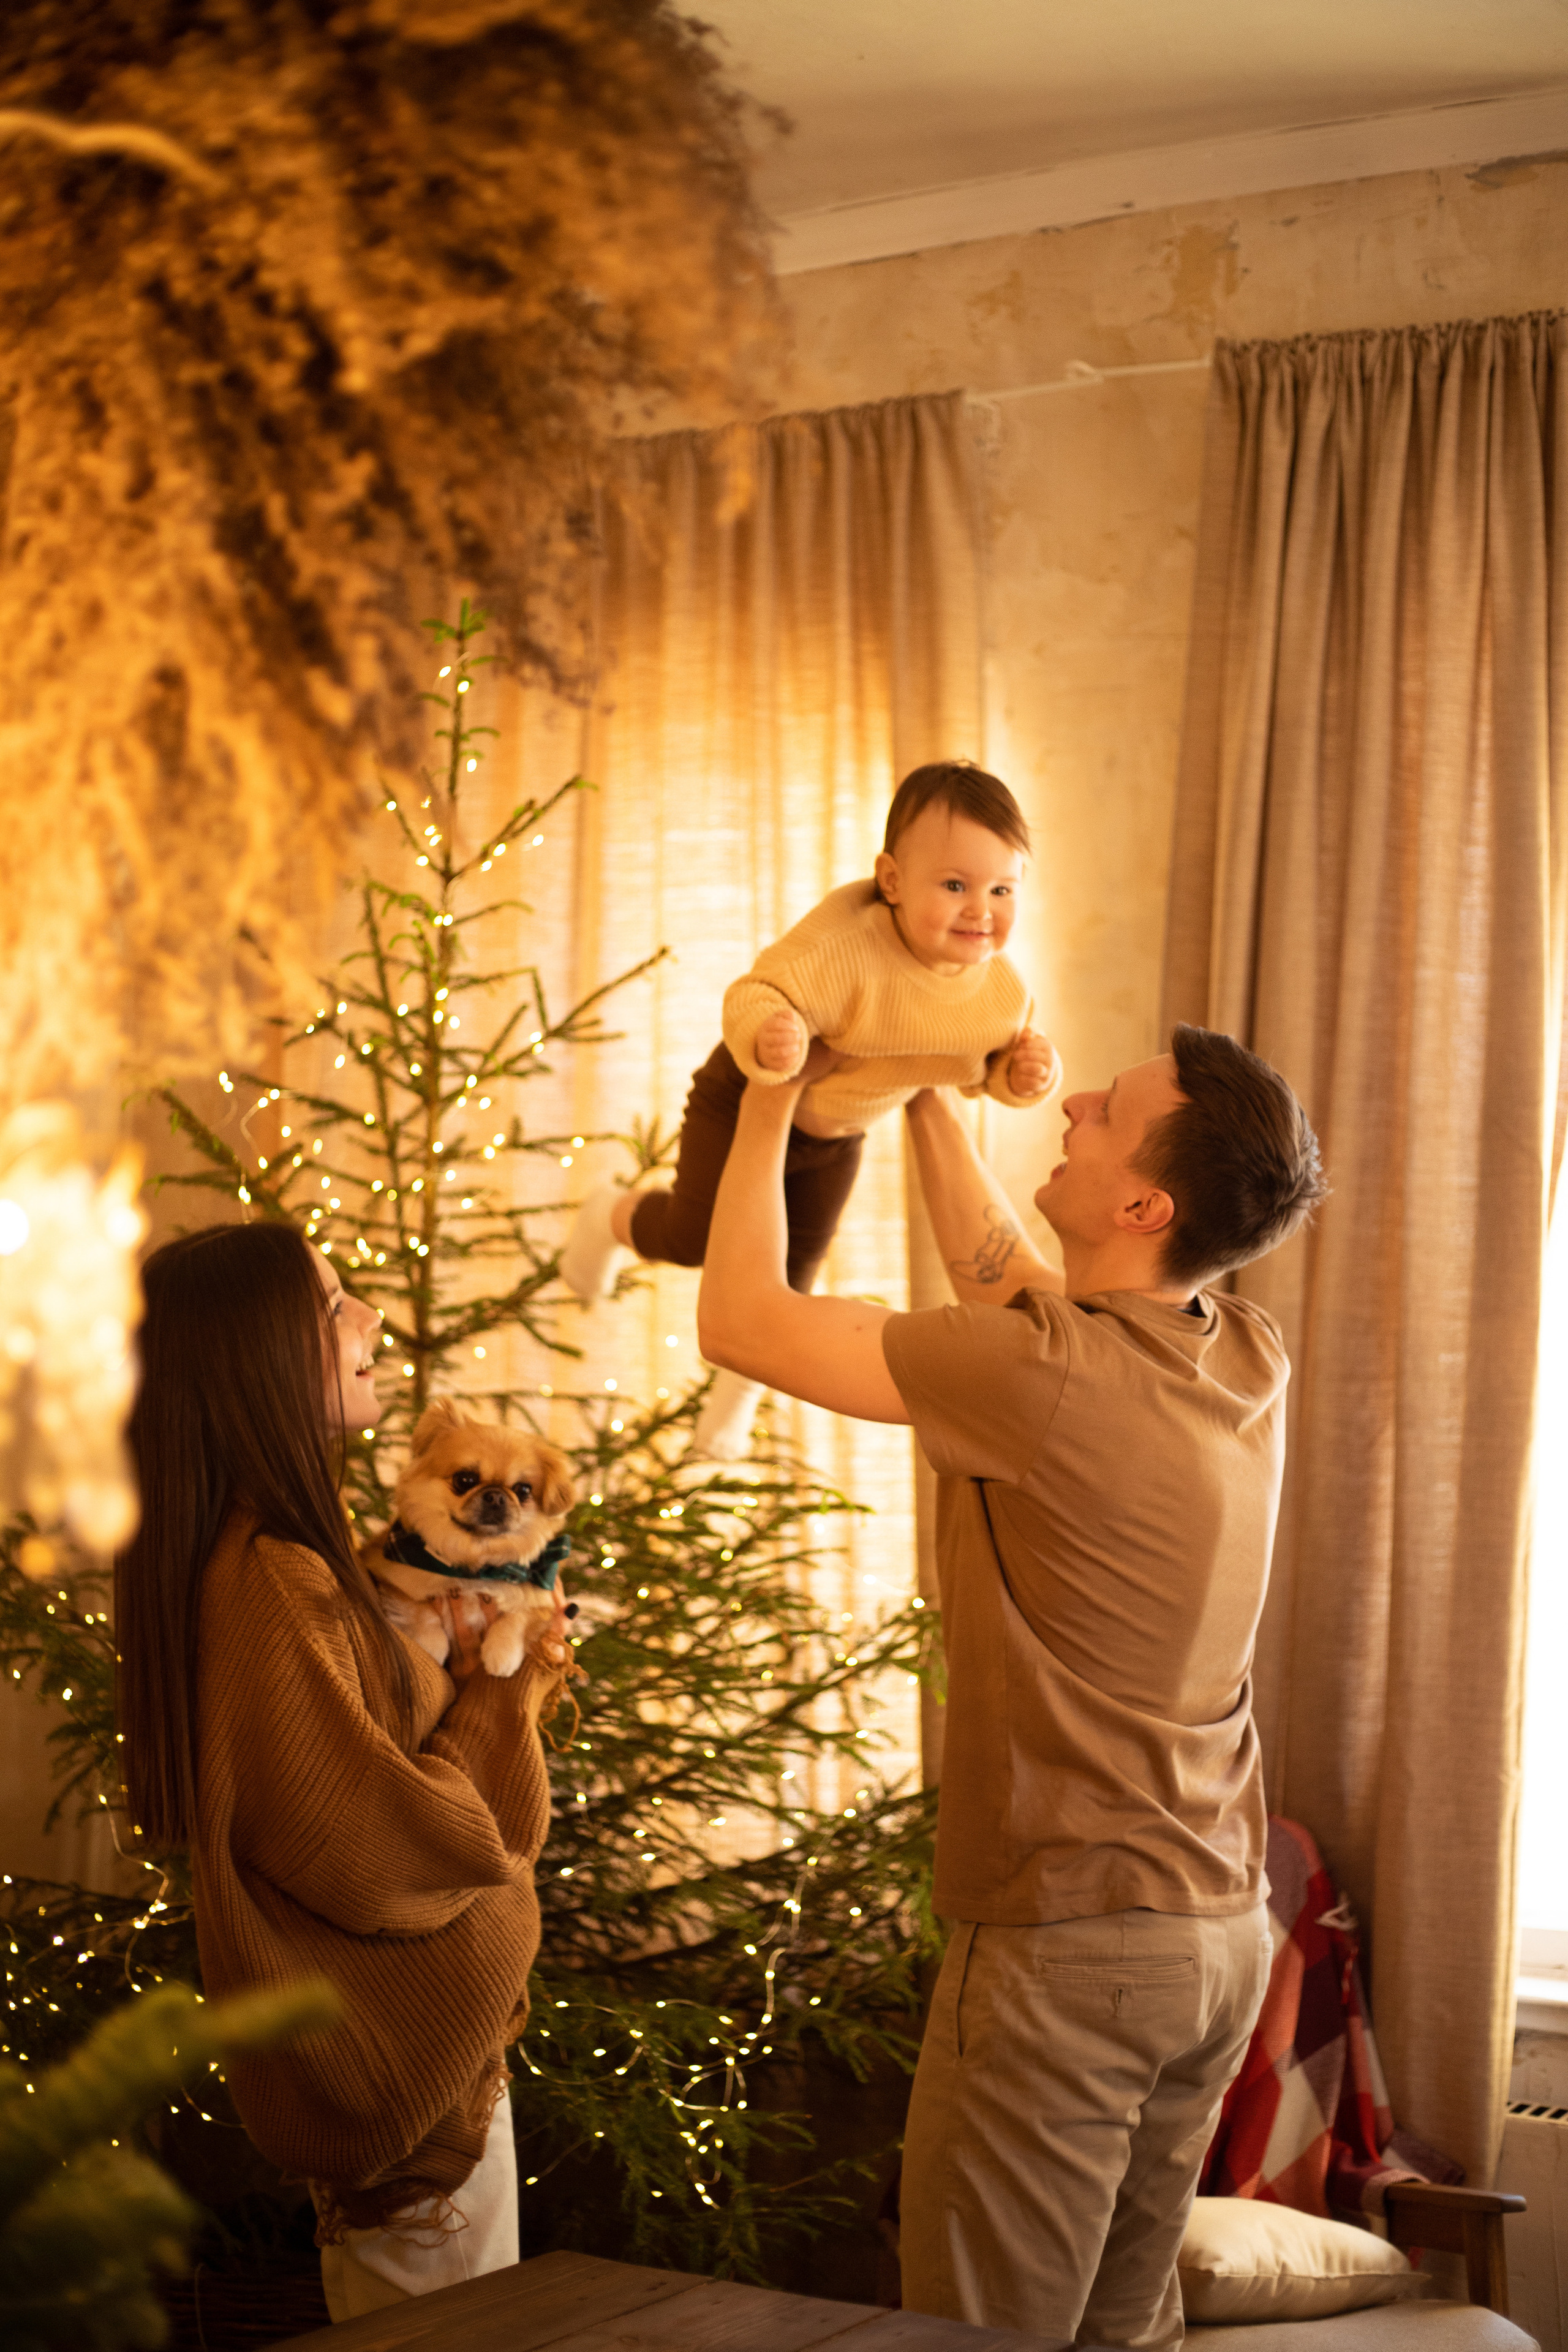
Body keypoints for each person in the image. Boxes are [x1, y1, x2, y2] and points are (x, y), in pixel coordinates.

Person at [695, 1023, 1327, 2349]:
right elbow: (1017, 1289)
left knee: (977, 2341)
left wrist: (769, 1102)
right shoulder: (1235, 1350)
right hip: (1209, 1938)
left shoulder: (1041, 1374)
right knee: (1117, 2334)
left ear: (1141, 1204)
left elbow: (740, 1322)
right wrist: (928, 1091)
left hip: (1070, 1945)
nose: (1079, 1099)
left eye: (1109, 1112)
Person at [114, 1221, 569, 2322]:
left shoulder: (282, 1559)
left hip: (431, 2098)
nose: (368, 1318)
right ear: (257, 1354)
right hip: (409, 2117)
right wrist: (507, 1694)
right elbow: (377, 1852)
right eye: (332, 1308)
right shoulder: (267, 1579)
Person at [561, 761, 1061, 1458]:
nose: (982, 910)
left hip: (838, 1133)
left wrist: (1026, 1075)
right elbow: (753, 994)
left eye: (1002, 889)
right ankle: (610, 1216)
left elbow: (990, 1073)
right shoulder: (847, 951)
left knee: (790, 1278)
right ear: (891, 881)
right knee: (695, 1236)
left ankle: (737, 1393)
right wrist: (775, 1034)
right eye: (954, 886)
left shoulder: (999, 993)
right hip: (744, 1098)